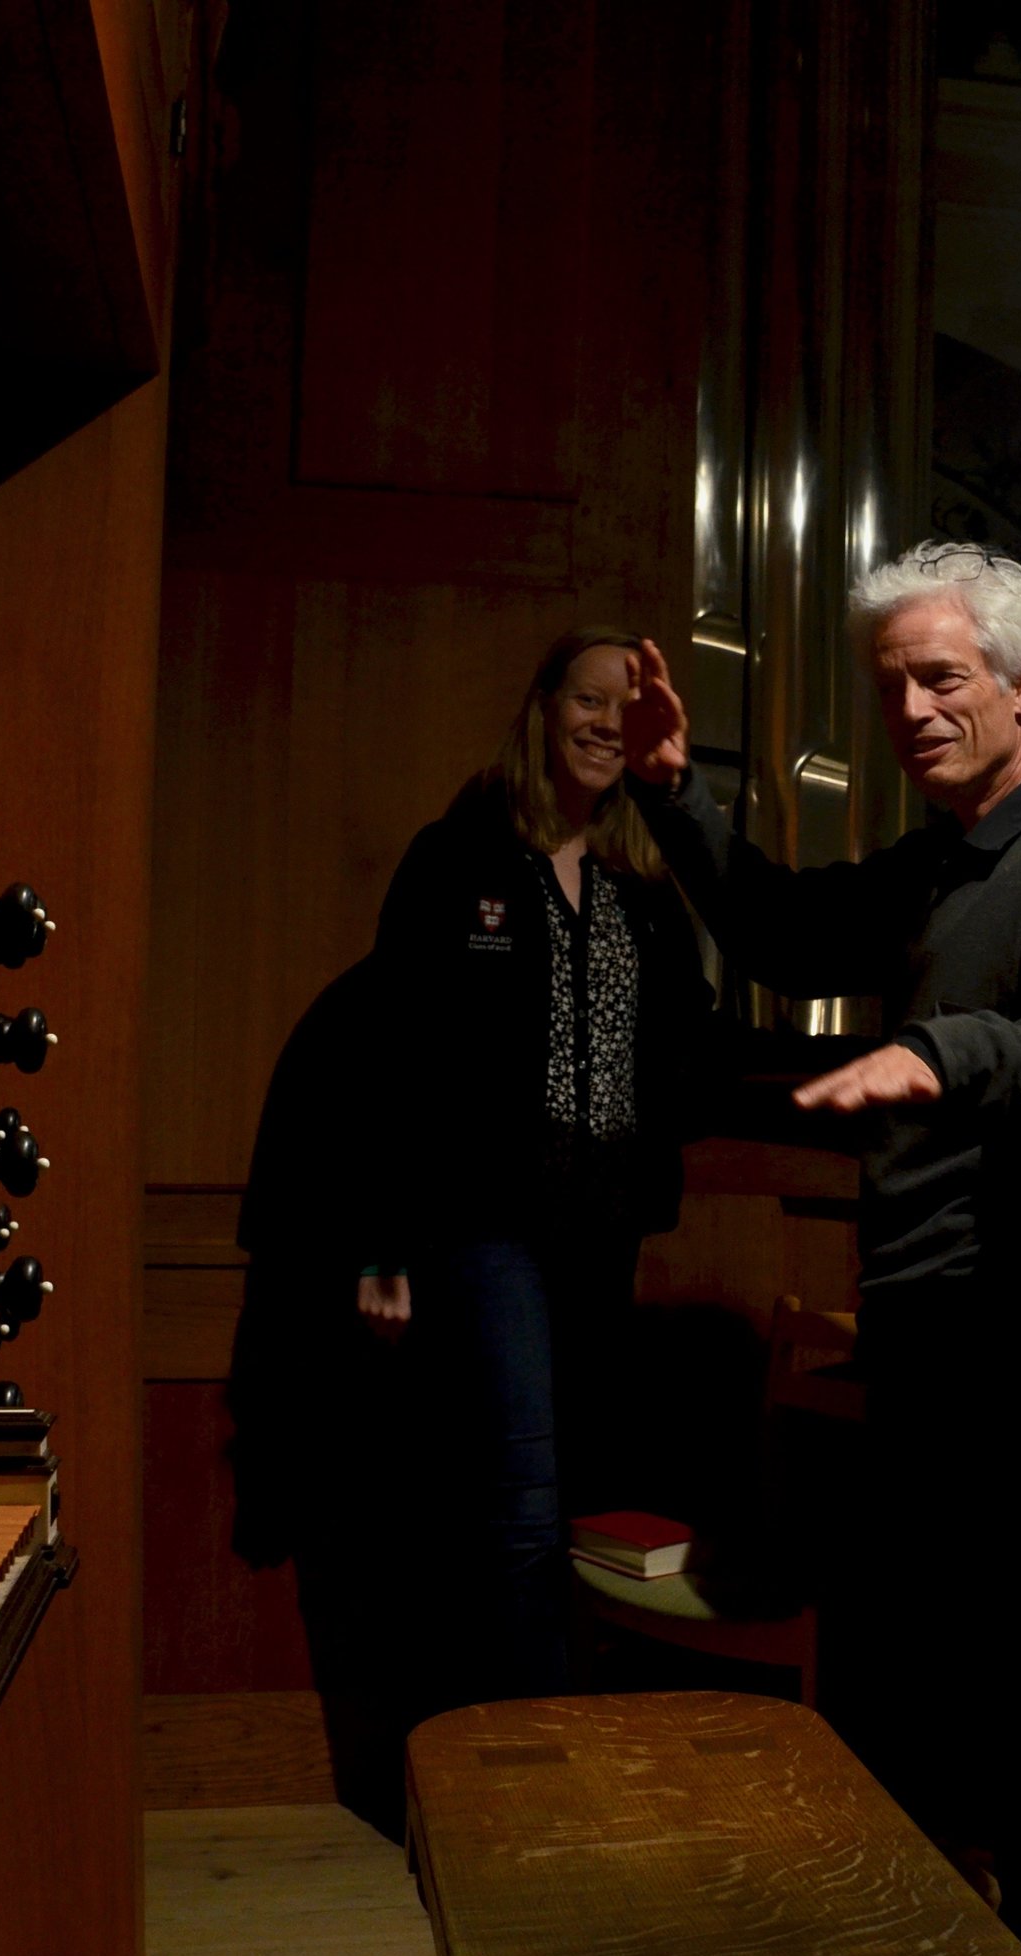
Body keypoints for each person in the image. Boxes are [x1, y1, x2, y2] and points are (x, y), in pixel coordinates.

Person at [620, 543, 1021, 1956]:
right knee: (938, 1674)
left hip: (1009, 1327)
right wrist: (675, 793)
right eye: (895, 688)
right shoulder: (946, 856)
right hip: (928, 1313)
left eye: (943, 678)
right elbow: (789, 933)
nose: (916, 710)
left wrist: (941, 1051)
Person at [340, 626, 716, 1711]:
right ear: (542, 708)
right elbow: (387, 1061)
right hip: (482, 1225)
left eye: (624, 709)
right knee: (516, 1500)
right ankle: (527, 1761)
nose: (605, 724)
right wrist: (379, 1248)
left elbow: (694, 1046)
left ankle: (525, 1744)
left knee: (569, 1502)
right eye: (587, 700)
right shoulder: (457, 857)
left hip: (603, 1230)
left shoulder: (645, 887)